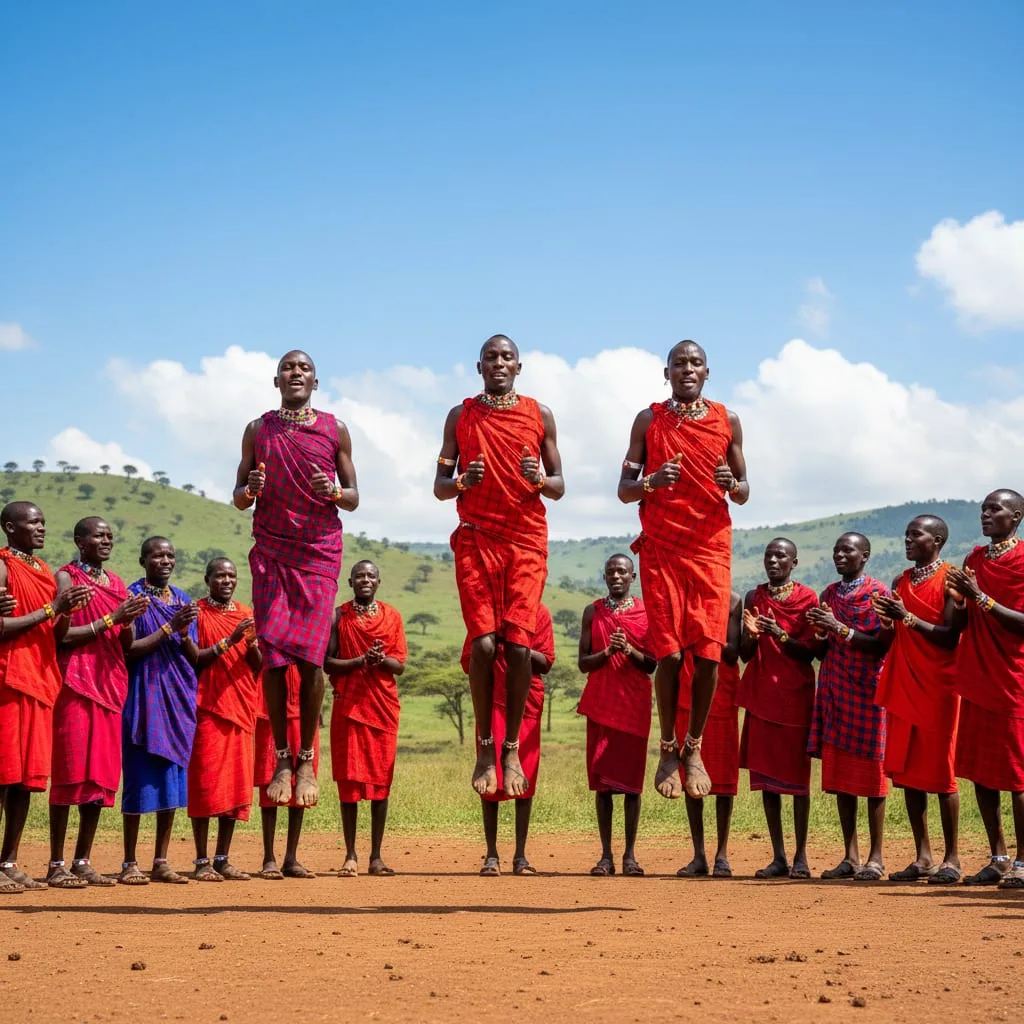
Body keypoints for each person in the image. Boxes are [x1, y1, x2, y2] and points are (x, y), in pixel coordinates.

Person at [617, 340, 749, 801]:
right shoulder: (648, 420)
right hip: (662, 548)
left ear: (707, 372)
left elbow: (744, 490)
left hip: (710, 547)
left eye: (695, 363)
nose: (687, 369)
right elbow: (625, 489)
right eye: (679, 363)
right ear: (667, 372)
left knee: (710, 653)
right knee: (670, 655)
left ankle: (694, 746)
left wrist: (733, 484)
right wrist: (652, 481)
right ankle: (668, 747)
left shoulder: (728, 420)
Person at [434, 335, 564, 798]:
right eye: (491, 357)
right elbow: (440, 485)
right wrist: (461, 481)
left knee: (519, 646)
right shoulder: (461, 415)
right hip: (476, 538)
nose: (499, 363)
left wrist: (539, 479)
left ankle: (511, 748)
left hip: (526, 542)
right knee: (485, 644)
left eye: (507, 357)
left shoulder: (539, 414)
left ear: (519, 366)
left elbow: (559, 485)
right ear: (479, 366)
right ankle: (485, 747)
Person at [234, 350, 358, 809]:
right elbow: (238, 496)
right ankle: (282, 758)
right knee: (273, 657)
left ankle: (306, 759)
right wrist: (250, 490)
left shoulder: (334, 428)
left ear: (315, 381)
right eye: (288, 368)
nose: (296, 373)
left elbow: (354, 497)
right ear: (277, 380)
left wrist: (335, 491)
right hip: (272, 551)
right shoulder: (258, 429)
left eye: (304, 368)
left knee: (310, 661)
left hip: (318, 554)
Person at [49, 518, 148, 888]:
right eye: (98, 535)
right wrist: (112, 618)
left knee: (99, 778)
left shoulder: (117, 584)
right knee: (69, 772)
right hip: (75, 683)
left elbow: (124, 643)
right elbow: (61, 636)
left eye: (110, 535)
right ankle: (56, 862)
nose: (106, 540)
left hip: (109, 685)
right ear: (80, 541)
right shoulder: (66, 578)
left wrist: (129, 621)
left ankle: (82, 860)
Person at [0, 502, 91, 893]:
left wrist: (65, 611)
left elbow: (57, 633)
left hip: (39, 679)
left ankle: (8, 861)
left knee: (24, 780)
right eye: (33, 522)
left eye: (43, 522)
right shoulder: (3, 566)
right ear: (10, 527)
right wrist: (52, 607)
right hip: (9, 679)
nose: (41, 527)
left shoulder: (41, 570)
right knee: (2, 775)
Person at [872, 516, 963, 884]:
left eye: (916, 534)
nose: (907, 540)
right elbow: (891, 638)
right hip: (905, 681)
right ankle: (923, 856)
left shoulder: (951, 578)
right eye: (906, 534)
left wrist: (906, 617)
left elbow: (950, 635)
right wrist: (887, 621)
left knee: (943, 772)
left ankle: (952, 857)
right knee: (909, 773)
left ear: (936, 539)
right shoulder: (901, 581)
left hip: (939, 685)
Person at [946, 490, 1024, 888]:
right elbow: (959, 623)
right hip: (977, 676)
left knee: (1018, 774)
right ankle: (998, 856)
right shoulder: (973, 560)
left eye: (995, 509)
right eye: (983, 509)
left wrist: (981, 597)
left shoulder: (1023, 560)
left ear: (1017, 516)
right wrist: (960, 602)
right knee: (981, 772)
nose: (986, 515)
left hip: (1013, 677)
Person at [807, 533, 892, 882]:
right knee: (841, 778)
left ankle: (876, 857)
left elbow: (882, 645)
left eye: (848, 550)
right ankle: (850, 856)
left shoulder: (879, 594)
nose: (839, 555)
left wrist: (838, 628)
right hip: (835, 689)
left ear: (865, 555)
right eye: (836, 550)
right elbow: (821, 650)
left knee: (873, 777)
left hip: (868, 691)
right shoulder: (828, 594)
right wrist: (819, 632)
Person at [738, 538, 820, 879]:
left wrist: (780, 634)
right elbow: (744, 654)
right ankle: (779, 857)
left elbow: (811, 652)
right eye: (768, 555)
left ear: (794, 563)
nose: (772, 561)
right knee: (767, 783)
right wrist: (752, 635)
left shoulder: (808, 598)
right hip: (762, 696)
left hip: (795, 697)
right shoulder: (753, 597)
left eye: (780, 556)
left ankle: (801, 857)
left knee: (799, 783)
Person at [120, 537, 199, 885]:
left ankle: (161, 861)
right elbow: (129, 650)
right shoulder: (133, 598)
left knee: (172, 782)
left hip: (178, 698)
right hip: (144, 695)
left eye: (170, 555)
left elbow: (194, 657)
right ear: (143, 561)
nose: (165, 560)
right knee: (139, 778)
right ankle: (129, 861)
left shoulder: (181, 599)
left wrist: (184, 634)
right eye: (157, 555)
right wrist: (170, 627)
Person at [324, 560, 407, 878]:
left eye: (371, 575)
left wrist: (379, 659)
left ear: (379, 582)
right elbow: (327, 662)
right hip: (348, 708)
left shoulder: (392, 616)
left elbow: (399, 666)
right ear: (350, 582)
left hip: (382, 708)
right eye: (359, 575)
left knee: (380, 782)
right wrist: (360, 660)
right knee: (348, 782)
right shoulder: (338, 616)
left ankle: (376, 856)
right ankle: (350, 855)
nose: (365, 580)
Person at [577, 554, 655, 877]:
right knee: (603, 785)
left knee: (632, 785)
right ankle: (606, 856)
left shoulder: (647, 613)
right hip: (601, 704)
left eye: (622, 571)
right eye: (610, 572)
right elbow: (583, 663)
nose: (616, 576)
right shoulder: (592, 612)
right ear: (604, 577)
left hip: (634, 706)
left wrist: (629, 650)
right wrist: (607, 652)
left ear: (633, 576)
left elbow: (652, 664)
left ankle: (630, 856)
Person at [463, 604, 555, 876]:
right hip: (490, 701)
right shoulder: (484, 612)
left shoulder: (539, 612)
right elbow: (470, 660)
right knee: (489, 775)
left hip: (525, 703)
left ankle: (520, 856)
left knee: (525, 779)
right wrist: (494, 642)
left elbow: (546, 662)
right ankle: (491, 855)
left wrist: (516, 644)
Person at [187, 558, 262, 882]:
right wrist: (230, 640)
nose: (227, 580)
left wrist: (252, 643)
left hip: (241, 708)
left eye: (232, 575)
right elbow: (195, 659)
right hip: (208, 707)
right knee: (205, 784)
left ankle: (222, 858)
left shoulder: (246, 614)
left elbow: (258, 665)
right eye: (220, 575)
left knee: (235, 787)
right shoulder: (197, 613)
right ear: (208, 580)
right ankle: (201, 859)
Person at [676, 594, 742, 878]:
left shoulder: (733, 601)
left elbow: (732, 653)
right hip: (686, 693)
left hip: (722, 692)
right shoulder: (682, 599)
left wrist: (704, 633)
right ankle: (699, 855)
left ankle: (722, 855)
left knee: (724, 780)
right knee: (690, 776)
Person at [254, 664, 318, 879]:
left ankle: (291, 857)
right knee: (269, 782)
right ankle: (268, 858)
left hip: (304, 711)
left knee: (301, 784)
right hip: (271, 711)